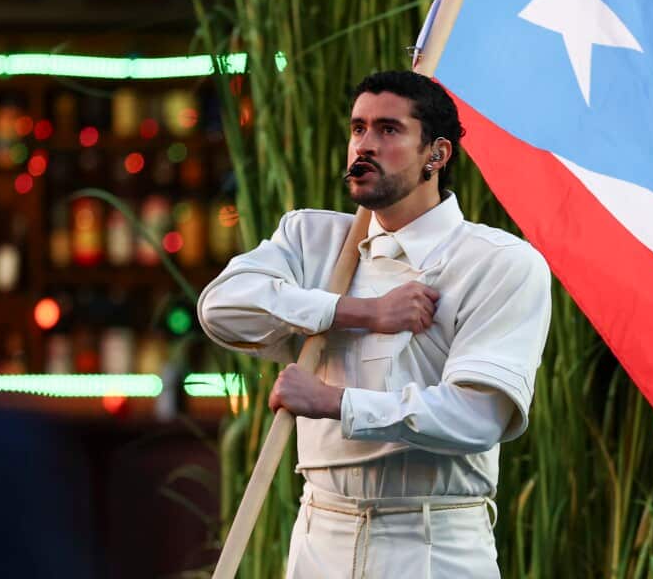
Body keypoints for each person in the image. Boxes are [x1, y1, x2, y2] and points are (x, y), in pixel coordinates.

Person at [197, 70, 552, 578]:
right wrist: (360, 312)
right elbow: (221, 308)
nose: (364, 145)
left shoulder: (499, 262)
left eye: (388, 130)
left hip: (432, 542)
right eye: (358, 128)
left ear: (437, 154)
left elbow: (477, 417)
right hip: (319, 534)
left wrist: (333, 402)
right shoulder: (310, 239)